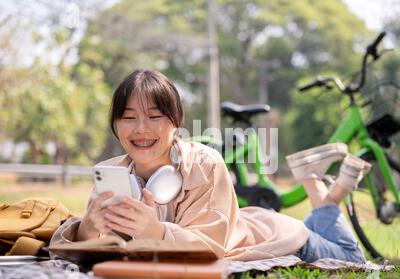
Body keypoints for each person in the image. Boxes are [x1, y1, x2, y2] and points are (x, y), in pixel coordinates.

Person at [50, 69, 370, 263]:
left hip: (276, 237)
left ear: (176, 122)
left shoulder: (204, 163)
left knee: (352, 257)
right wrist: (89, 228)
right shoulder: (112, 173)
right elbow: (77, 252)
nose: (141, 129)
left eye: (155, 117)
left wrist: (155, 231)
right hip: (246, 220)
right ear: (116, 124)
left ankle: (321, 189)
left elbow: (209, 250)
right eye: (129, 117)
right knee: (322, 225)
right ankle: (319, 185)